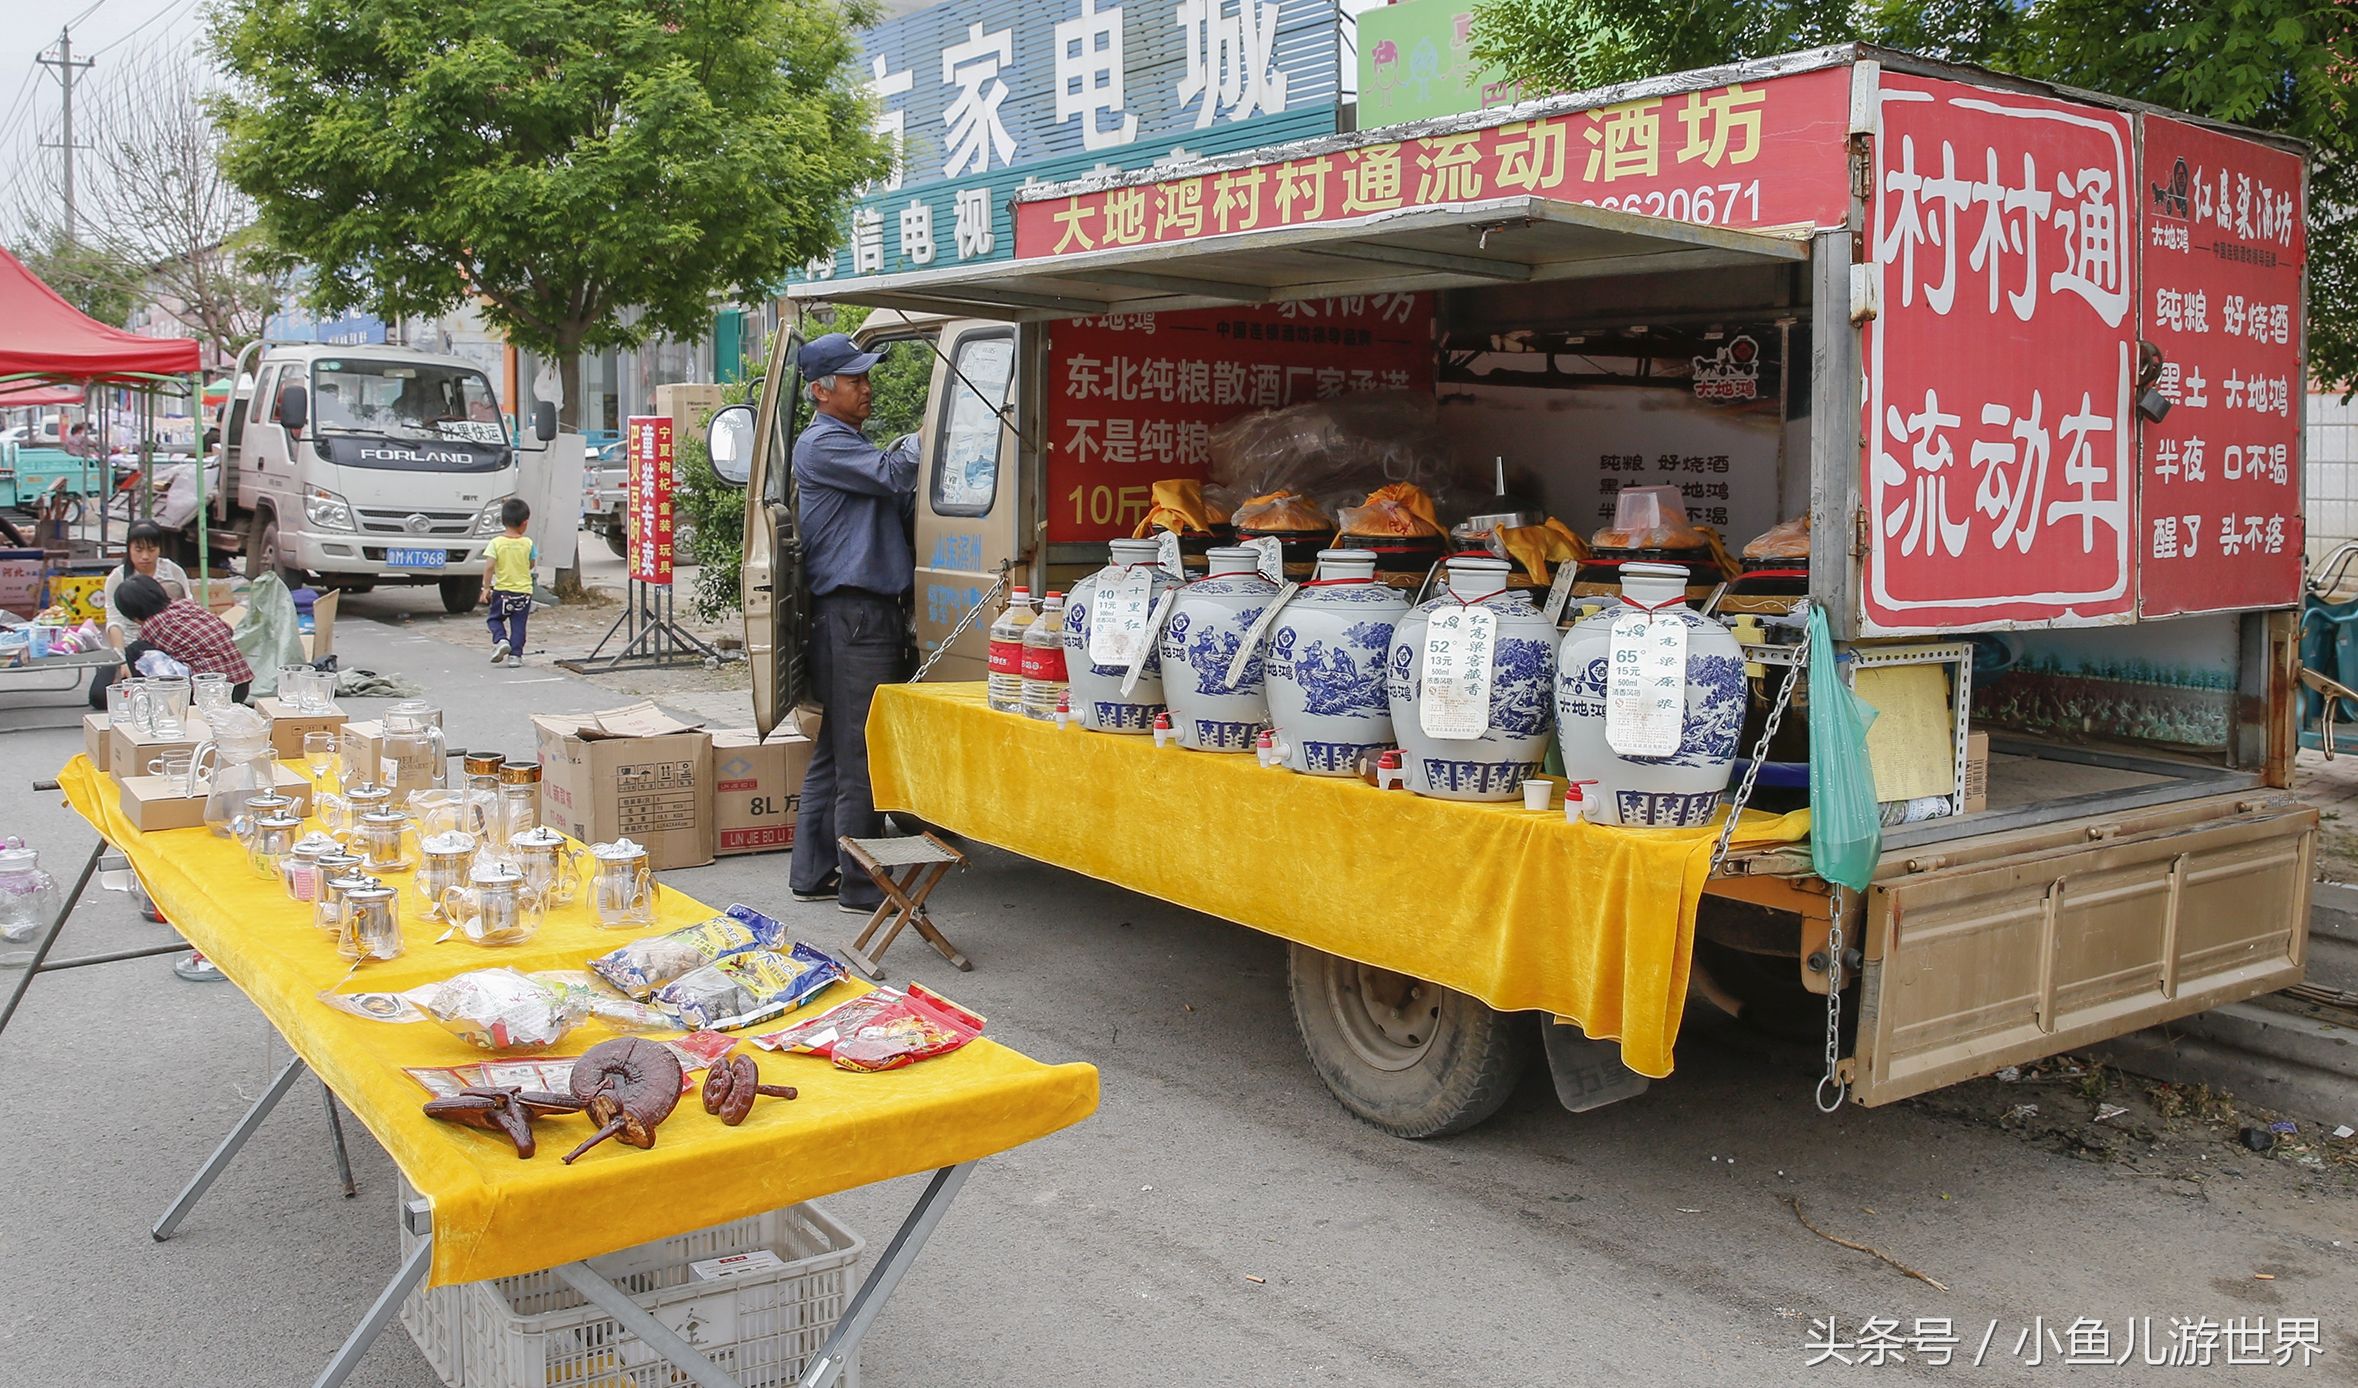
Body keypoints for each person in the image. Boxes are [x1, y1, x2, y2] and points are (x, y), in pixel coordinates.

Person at [787, 333, 922, 916]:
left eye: (867, 377)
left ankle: (814, 870)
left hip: (854, 617)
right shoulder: (824, 445)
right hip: (856, 617)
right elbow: (896, 474)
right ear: (821, 391)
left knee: (836, 753)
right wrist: (938, 430)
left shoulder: (846, 443)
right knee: (862, 755)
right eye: (854, 379)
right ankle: (863, 883)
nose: (867, 387)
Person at [88, 521, 193, 706]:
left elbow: (187, 609)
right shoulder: (117, 577)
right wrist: (121, 660)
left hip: (167, 645)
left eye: (151, 550)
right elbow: (114, 622)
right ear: (128, 548)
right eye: (138, 550)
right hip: (129, 645)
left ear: (160, 548)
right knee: (100, 696)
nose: (145, 556)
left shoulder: (173, 571)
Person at [110, 574, 253, 701]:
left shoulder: (152, 626)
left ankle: (149, 701)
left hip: (207, 695)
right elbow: (227, 629)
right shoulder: (188, 605)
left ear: (134, 616)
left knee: (135, 650)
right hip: (241, 685)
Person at [480, 497, 536, 665]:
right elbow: (531, 564)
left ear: (503, 521)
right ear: (525, 523)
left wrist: (486, 588)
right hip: (524, 593)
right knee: (519, 624)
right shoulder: (528, 543)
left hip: (503, 591)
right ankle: (516, 656)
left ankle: (501, 640)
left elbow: (489, 567)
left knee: (494, 619)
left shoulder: (496, 543)